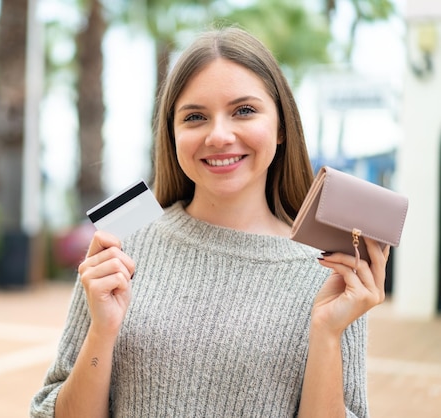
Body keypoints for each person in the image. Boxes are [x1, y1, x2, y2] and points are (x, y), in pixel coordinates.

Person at [30, 26, 389, 418]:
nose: (219, 136)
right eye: (195, 117)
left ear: (282, 126)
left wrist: (327, 333)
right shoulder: (122, 239)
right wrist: (102, 331)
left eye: (244, 111)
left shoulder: (333, 270)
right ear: (172, 133)